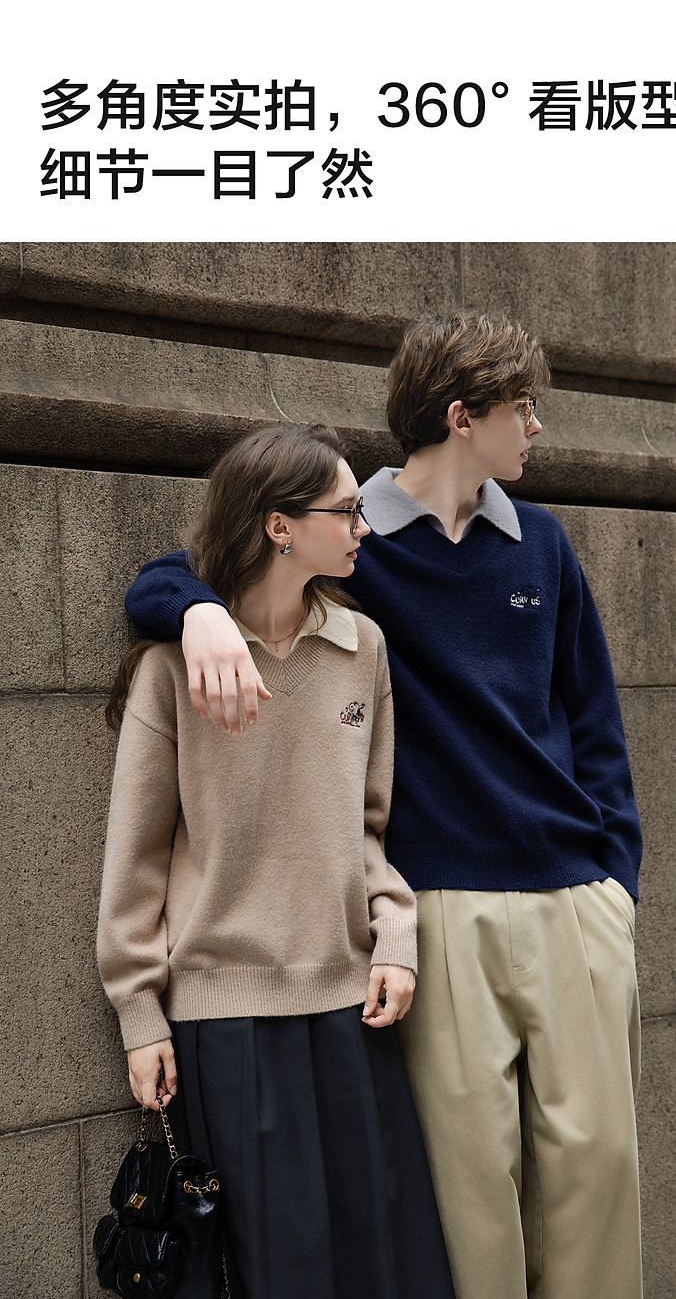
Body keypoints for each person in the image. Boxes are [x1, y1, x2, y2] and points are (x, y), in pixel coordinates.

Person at [124, 314, 644, 1299]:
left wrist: (617, 882)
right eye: (523, 408)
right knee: (470, 1206)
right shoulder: (352, 533)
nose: (537, 426)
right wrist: (196, 611)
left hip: (574, 901)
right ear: (461, 416)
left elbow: (596, 723)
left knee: (600, 1183)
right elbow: (183, 565)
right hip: (438, 911)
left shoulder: (543, 542)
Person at [99, 423, 455, 1299]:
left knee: (387, 1265)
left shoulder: (362, 649)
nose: (364, 526)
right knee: (283, 1272)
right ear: (279, 526)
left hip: (353, 1010)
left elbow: (367, 825)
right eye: (346, 509)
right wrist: (140, 1013)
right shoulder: (173, 668)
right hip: (229, 1023)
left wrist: (394, 936)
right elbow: (135, 857)